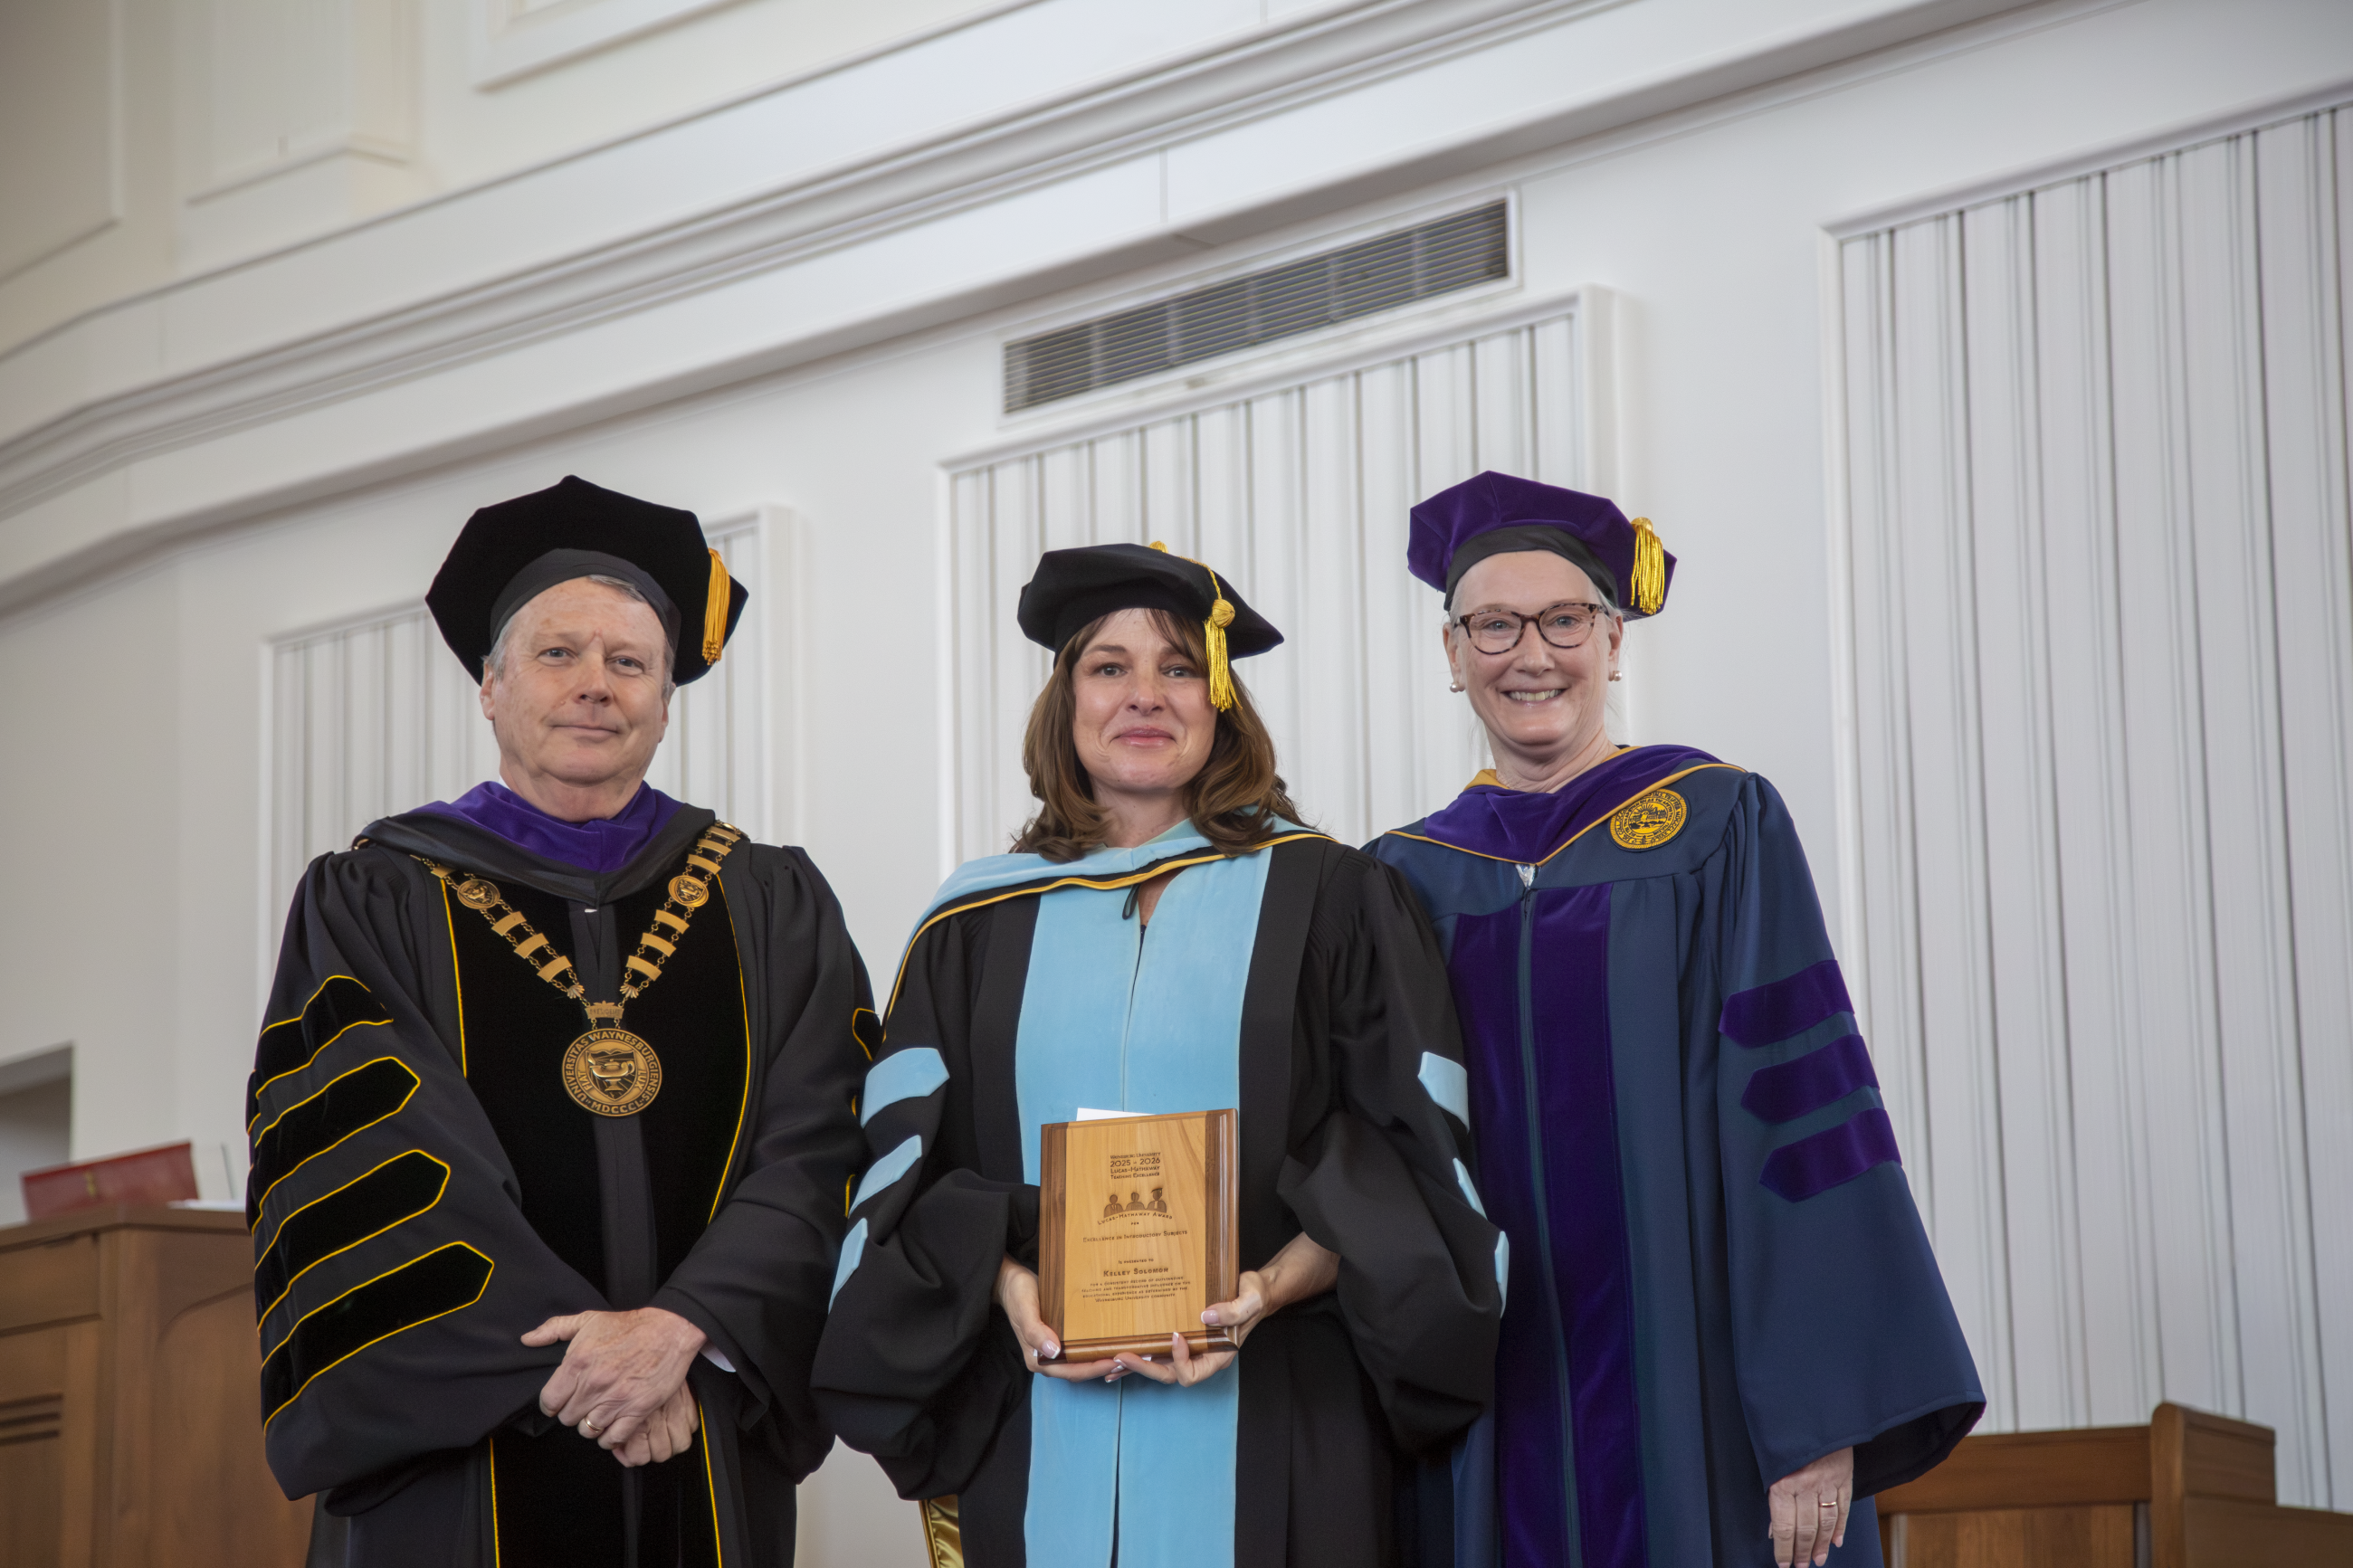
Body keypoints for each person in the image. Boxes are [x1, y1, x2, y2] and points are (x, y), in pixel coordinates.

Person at [812, 543, 1503, 1568]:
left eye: (1179, 667)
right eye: (1109, 666)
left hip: (1279, 1412)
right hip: (1038, 1414)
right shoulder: (973, 923)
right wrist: (1003, 1279)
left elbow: (1409, 1163)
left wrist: (1264, 1287)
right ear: (1066, 700)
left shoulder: (1331, 896)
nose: (1145, 694)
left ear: (1221, 700)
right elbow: (902, 1177)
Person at [248, 475, 872, 1567]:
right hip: (465, 1447)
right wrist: (587, 1364)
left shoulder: (769, 901)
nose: (596, 685)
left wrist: (686, 1327)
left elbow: (821, 1139)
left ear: (666, 700)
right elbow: (373, 1152)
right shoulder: (377, 897)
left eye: (629, 662)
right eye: (558, 654)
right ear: (489, 688)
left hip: (702, 1411)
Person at [1368, 473, 1984, 1568]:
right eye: (1493, 624)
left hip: (1694, 1383)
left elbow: (1802, 1115)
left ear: (1613, 639)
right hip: (1488, 1397)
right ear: (1451, 652)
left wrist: (1819, 1411)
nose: (1531, 653)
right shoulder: (1403, 877)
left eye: (1564, 619)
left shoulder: (1715, 825)